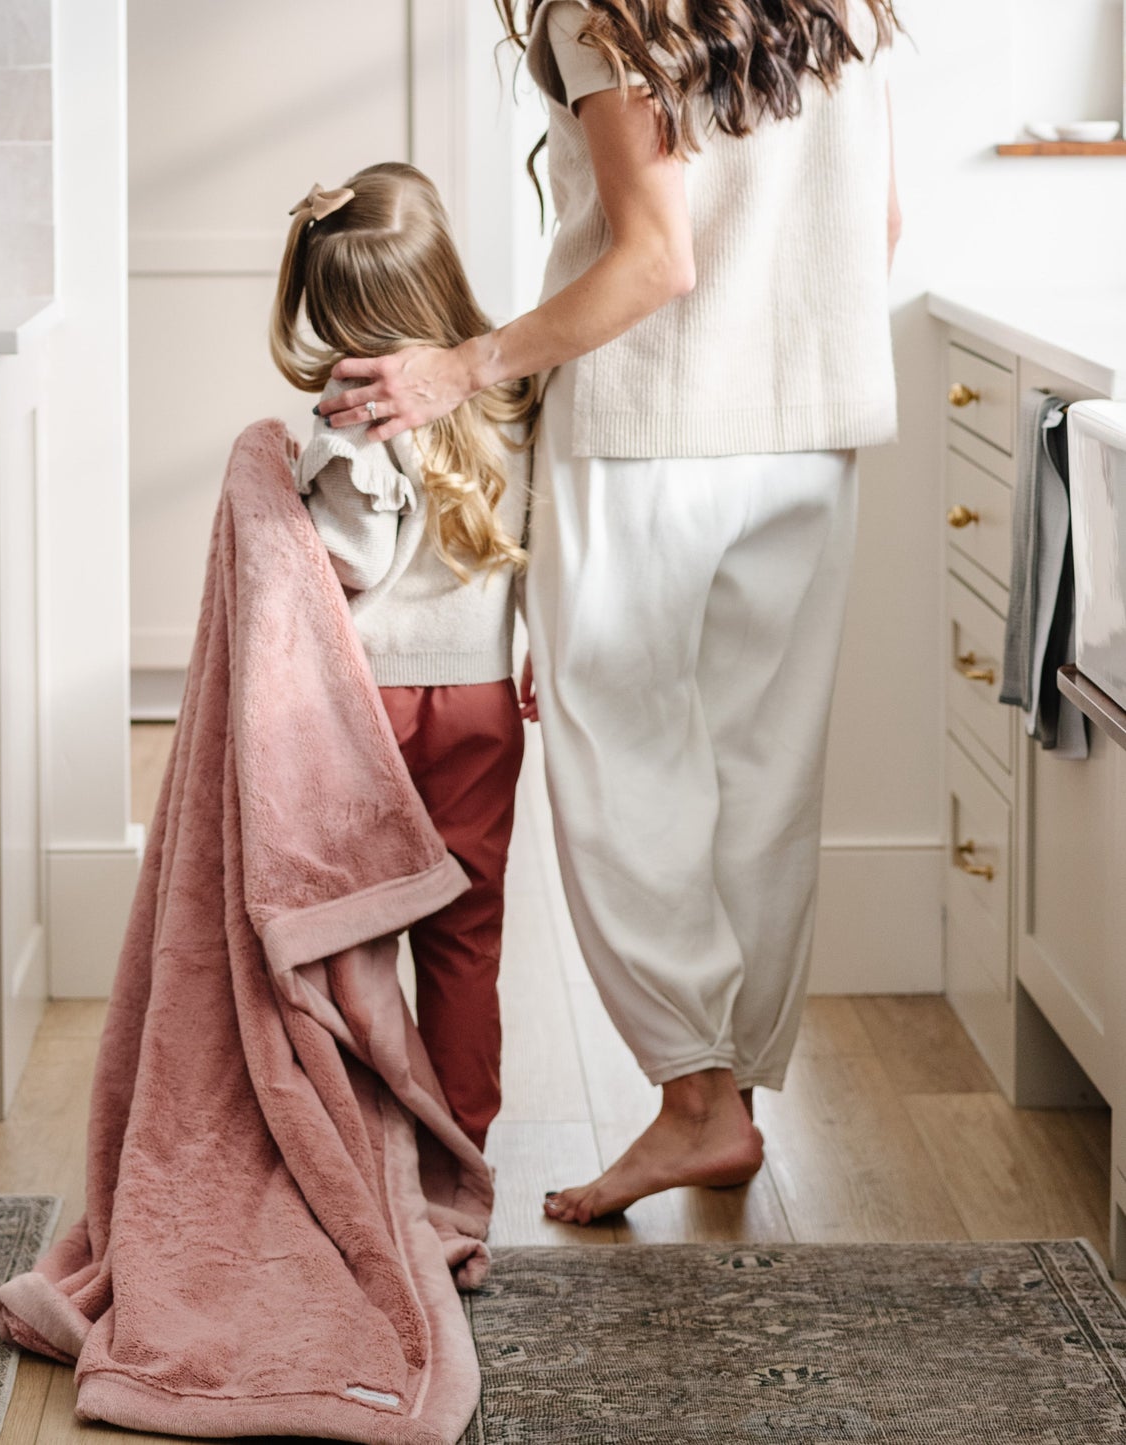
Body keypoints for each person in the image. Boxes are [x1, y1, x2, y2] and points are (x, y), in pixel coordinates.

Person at [317, 1, 902, 1222]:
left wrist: (461, 366)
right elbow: (877, 226)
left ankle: (694, 1101)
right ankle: (726, 1094)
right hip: (813, 420)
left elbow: (652, 260)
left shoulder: (613, 12)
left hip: (650, 429)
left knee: (618, 754)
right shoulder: (841, 7)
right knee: (764, 766)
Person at [272, 162, 539, 1152]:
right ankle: (459, 1150)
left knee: (354, 933)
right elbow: (544, 537)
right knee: (465, 935)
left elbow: (350, 558)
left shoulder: (354, 410)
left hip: (366, 710)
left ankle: (359, 1139)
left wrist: (292, 494)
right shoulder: (510, 389)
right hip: (479, 702)